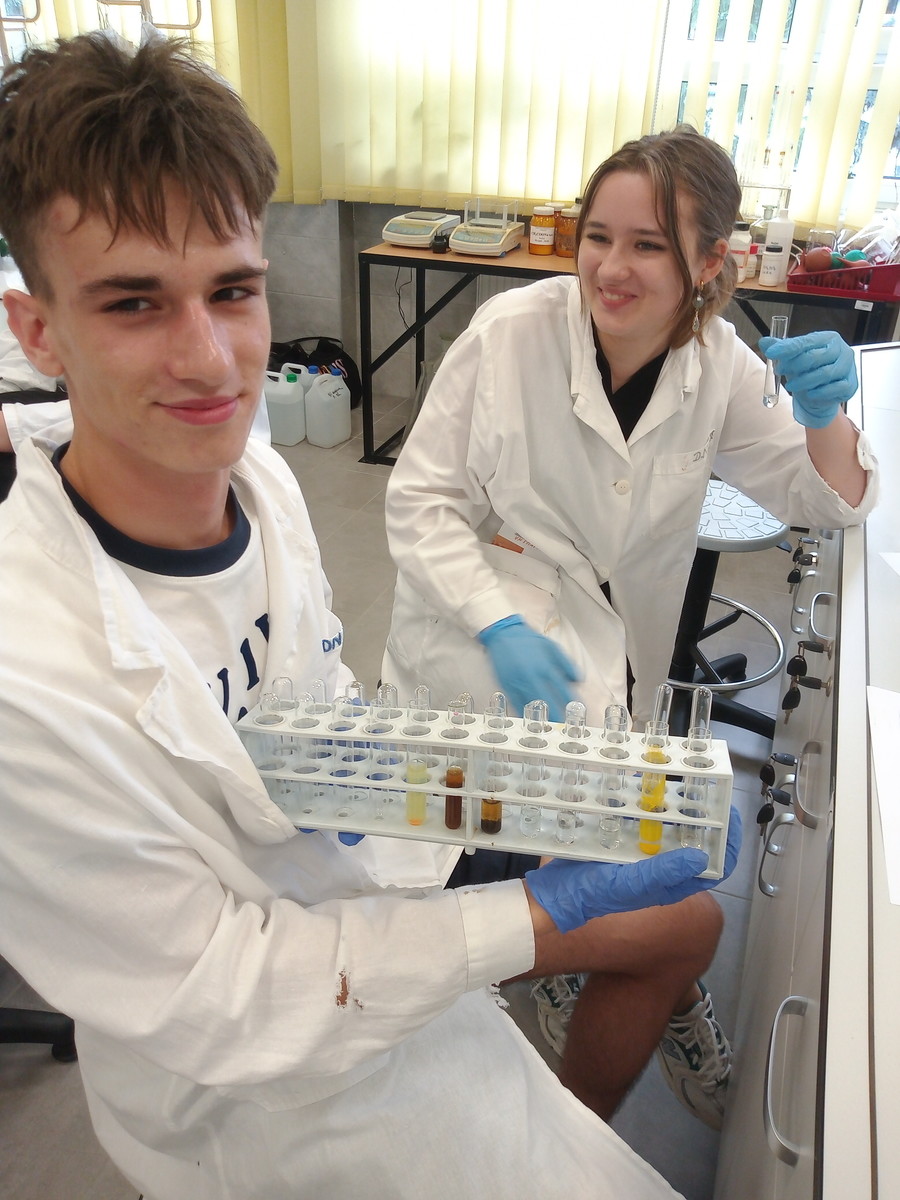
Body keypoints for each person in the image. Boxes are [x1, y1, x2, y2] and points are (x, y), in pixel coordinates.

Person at [0, 34, 740, 1200]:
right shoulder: (27, 681)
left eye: (233, 291)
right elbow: (233, 998)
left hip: (369, 891)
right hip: (254, 1087)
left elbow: (322, 711)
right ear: (36, 330)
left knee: (666, 939)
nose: (210, 359)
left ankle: (559, 1092)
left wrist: (534, 786)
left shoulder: (261, 483)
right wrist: (530, 914)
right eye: (134, 302)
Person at [382, 126, 878, 1121]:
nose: (610, 267)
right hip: (468, 675)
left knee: (644, 900)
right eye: (598, 236)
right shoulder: (511, 335)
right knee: (484, 899)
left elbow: (830, 498)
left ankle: (602, 1050)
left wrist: (826, 413)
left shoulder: (719, 366)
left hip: (613, 676)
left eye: (648, 244)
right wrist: (495, 623)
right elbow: (419, 504)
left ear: (710, 262)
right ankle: (563, 996)